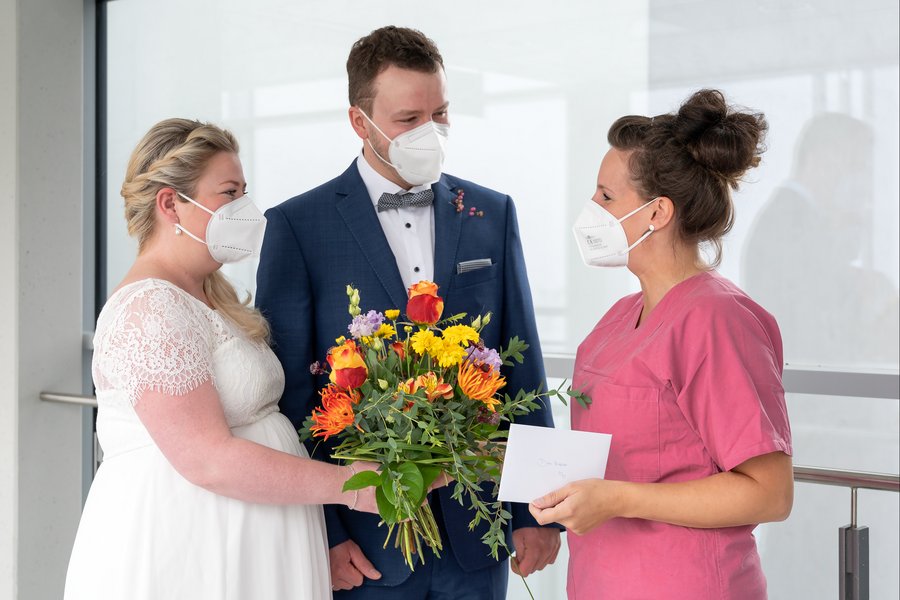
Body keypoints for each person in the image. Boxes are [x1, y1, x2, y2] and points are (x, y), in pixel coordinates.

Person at [256, 25, 561, 599]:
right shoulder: (299, 227)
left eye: (440, 114)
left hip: (480, 528)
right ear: (359, 121)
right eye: (408, 119)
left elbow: (526, 367)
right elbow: (290, 394)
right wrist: (320, 534)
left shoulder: (491, 213)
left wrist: (536, 512)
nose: (430, 132)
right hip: (364, 547)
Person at [64, 118, 382, 600]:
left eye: (243, 191)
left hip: (254, 537)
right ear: (171, 203)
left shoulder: (212, 297)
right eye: (229, 193)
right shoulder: (150, 308)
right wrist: (355, 487)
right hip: (193, 543)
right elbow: (208, 458)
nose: (245, 208)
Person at [529, 90, 794, 599]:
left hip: (685, 582)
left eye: (606, 197)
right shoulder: (618, 319)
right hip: (604, 579)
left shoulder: (717, 320)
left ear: (657, 213)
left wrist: (617, 499)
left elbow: (769, 493)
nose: (591, 209)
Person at [742, 113, 899, 367]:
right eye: (857, 167)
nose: (864, 184)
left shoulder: (803, 219)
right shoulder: (788, 223)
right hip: (810, 395)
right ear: (822, 160)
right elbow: (808, 331)